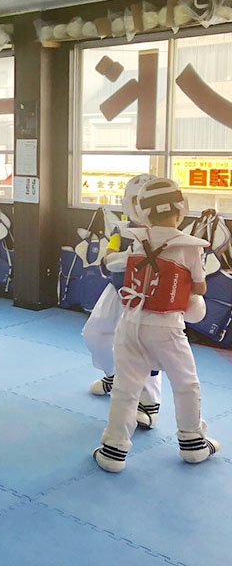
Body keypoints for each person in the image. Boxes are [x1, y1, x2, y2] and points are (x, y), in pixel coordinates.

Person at [94, 177, 219, 473]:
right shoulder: (190, 246)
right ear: (181, 207)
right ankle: (192, 443)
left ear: (143, 212)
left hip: (130, 321)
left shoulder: (138, 238)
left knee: (126, 388)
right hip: (166, 327)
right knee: (186, 384)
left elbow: (116, 263)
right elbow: (199, 288)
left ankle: (114, 450)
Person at [82, 174, 162, 428]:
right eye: (136, 199)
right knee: (95, 334)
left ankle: (148, 405)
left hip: (148, 298)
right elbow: (109, 257)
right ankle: (114, 375)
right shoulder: (121, 228)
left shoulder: (165, 232)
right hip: (117, 289)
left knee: (144, 348)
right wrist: (120, 259)